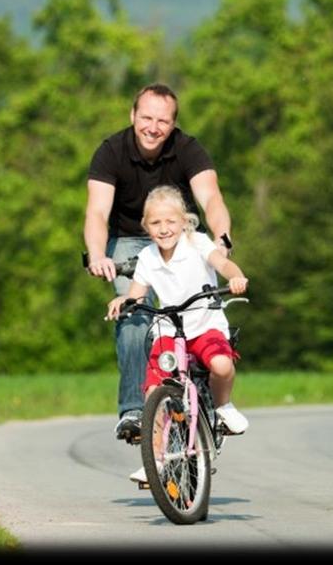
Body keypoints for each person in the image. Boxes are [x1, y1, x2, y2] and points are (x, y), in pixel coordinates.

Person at [84, 83, 234, 444]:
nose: (153, 127)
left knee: (195, 307)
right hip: (129, 240)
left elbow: (211, 197)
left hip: (180, 234)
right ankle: (135, 410)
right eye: (146, 118)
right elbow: (97, 211)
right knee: (135, 314)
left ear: (173, 125)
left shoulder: (188, 149)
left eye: (162, 121)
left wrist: (222, 237)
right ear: (133, 116)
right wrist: (98, 254)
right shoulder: (110, 151)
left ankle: (210, 397)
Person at [106, 185, 249, 483]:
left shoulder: (197, 242)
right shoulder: (147, 257)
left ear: (184, 221)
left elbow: (221, 262)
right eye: (156, 223)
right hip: (169, 328)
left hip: (205, 324)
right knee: (153, 391)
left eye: (170, 221)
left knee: (221, 366)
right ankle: (155, 461)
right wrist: (124, 301)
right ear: (146, 227)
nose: (164, 228)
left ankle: (223, 407)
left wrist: (234, 276)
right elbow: (137, 292)